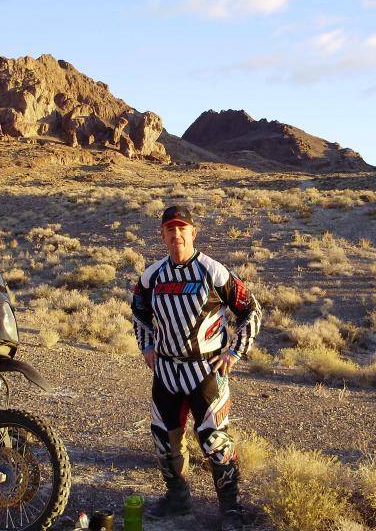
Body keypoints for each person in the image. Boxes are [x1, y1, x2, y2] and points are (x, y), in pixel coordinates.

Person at [131, 205, 262, 531]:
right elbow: (138, 313)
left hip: (206, 372)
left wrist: (235, 352)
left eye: (182, 228)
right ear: (162, 234)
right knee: (164, 438)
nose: (176, 234)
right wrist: (146, 346)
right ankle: (177, 499)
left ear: (193, 232)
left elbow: (252, 310)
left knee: (214, 440)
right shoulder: (152, 276)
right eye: (170, 229)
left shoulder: (213, 271)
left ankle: (231, 509)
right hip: (166, 373)